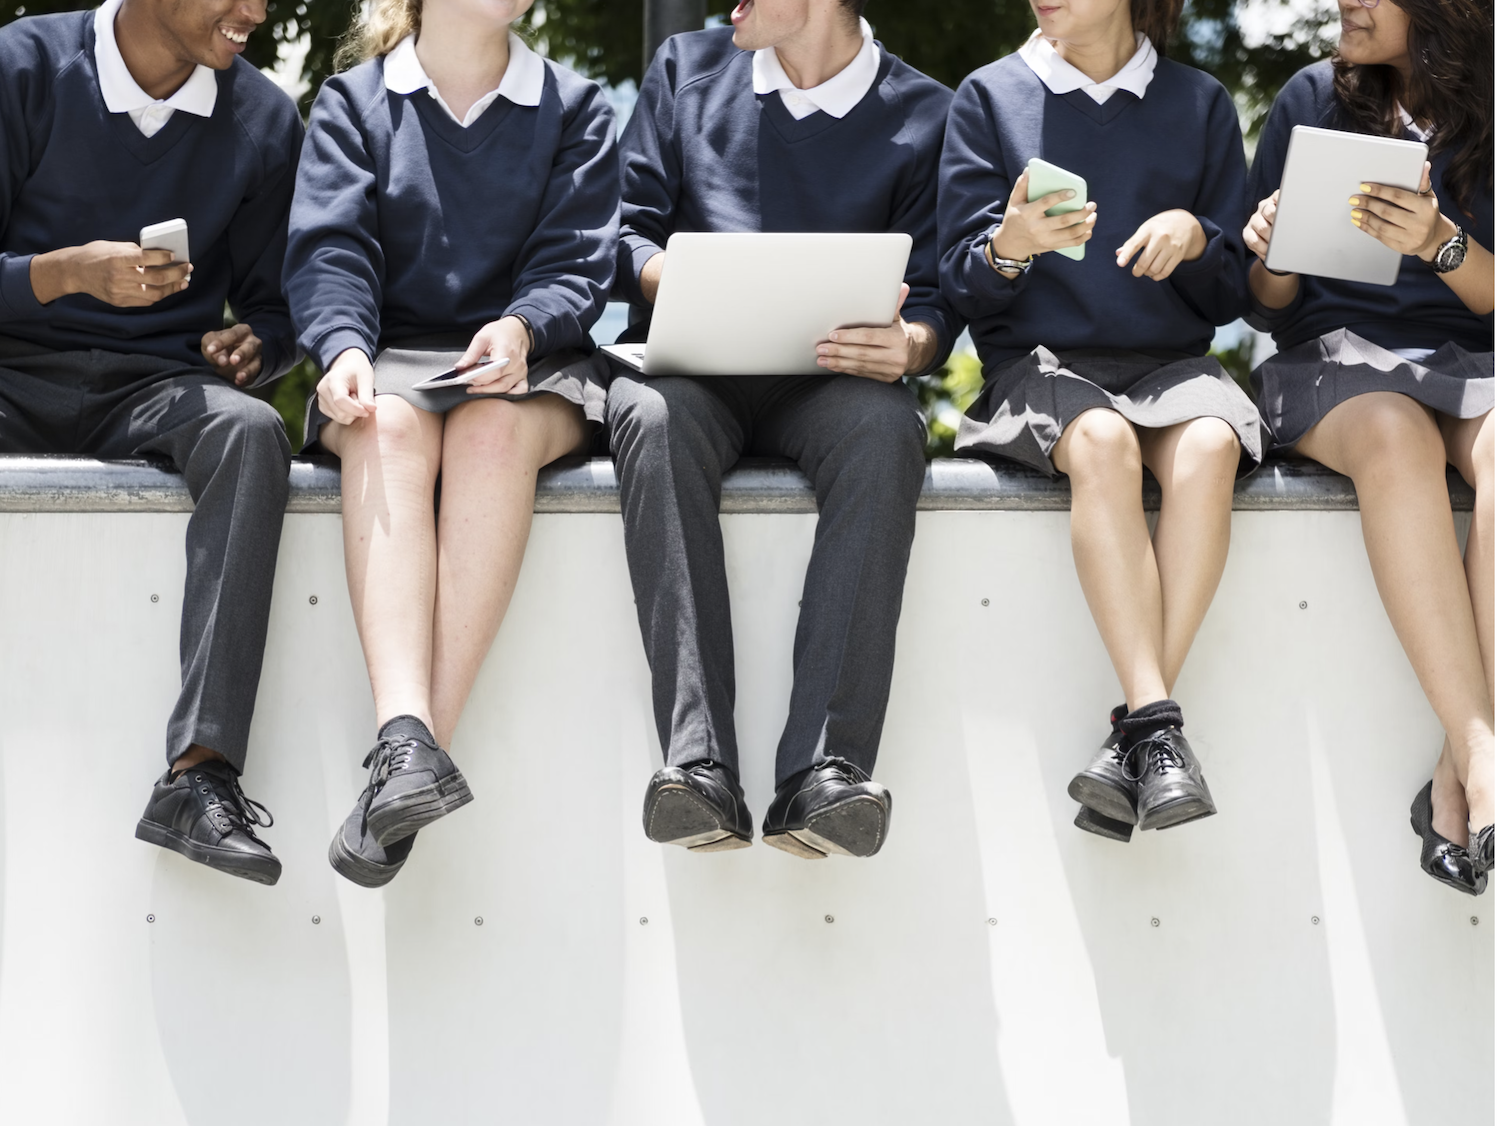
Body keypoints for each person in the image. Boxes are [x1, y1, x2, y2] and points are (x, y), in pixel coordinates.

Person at [607, 0, 957, 859]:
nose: (731, 4)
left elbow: (944, 296)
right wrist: (682, 279)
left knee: (887, 432)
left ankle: (824, 773)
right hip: (694, 373)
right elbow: (622, 233)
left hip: (830, 384)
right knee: (648, 414)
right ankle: (698, 766)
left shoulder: (926, 113)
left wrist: (908, 344)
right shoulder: (685, 73)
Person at [285, 0, 618, 886]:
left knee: (487, 432)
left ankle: (410, 764)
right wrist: (345, 347)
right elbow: (330, 252)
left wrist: (520, 327)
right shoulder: (354, 104)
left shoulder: (576, 107)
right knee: (384, 422)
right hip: (391, 359)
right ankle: (406, 739)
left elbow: (576, 261)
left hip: (529, 368)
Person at [938, 0, 1259, 842]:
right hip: (1037, 369)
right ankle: (1155, 726)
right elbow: (960, 288)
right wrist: (1009, 244)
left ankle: (1137, 738)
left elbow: (1238, 294)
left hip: (1171, 368)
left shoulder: (1199, 104)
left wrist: (1197, 237)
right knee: (1106, 442)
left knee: (1213, 442)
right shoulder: (989, 97)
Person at [0, 0, 302, 883]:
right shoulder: (23, 67)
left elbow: (279, 306)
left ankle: (199, 774)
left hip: (153, 388)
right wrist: (65, 276)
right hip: (12, 374)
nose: (256, 12)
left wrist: (258, 344)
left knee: (253, 434)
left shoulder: (263, 119)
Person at [1244, 0, 1493, 892]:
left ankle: (1455, 771)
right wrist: (1271, 256)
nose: (1344, 1)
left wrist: (1437, 241)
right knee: (1395, 434)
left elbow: (1492, 299)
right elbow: (1262, 304)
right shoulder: (1310, 98)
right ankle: (1483, 753)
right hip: (1335, 366)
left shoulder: (1490, 106)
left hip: (1468, 362)